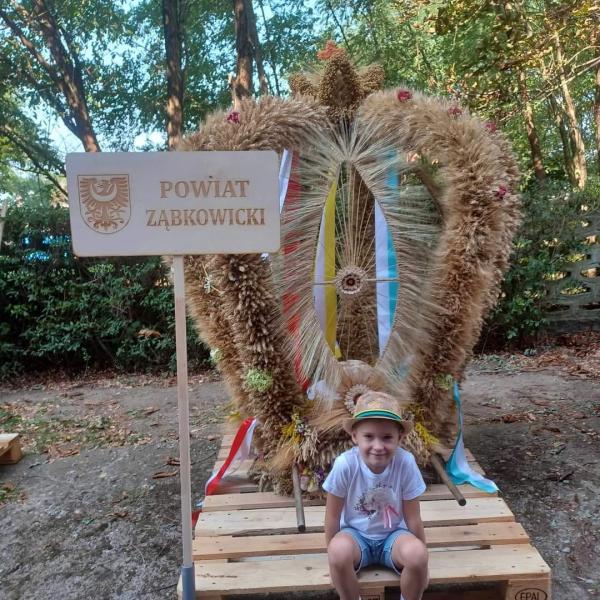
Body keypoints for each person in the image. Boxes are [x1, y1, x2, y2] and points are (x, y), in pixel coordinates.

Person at [322, 390, 429, 600]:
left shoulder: (405, 463)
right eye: (369, 437)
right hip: (355, 535)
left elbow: (413, 517)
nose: (378, 446)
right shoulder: (346, 464)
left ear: (400, 436)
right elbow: (332, 516)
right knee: (338, 551)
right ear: (354, 436)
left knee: (417, 555)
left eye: (387, 437)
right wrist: (333, 560)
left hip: (394, 536)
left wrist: (423, 562)